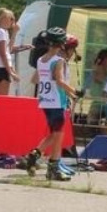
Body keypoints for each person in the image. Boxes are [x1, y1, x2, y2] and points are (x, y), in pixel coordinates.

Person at [28, 31, 80, 181]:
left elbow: (35, 80)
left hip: (45, 101)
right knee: (58, 136)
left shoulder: (41, 59)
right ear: (62, 44)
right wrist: (74, 92)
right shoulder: (59, 61)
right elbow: (59, 81)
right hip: (57, 102)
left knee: (55, 134)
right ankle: (51, 167)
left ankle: (36, 155)